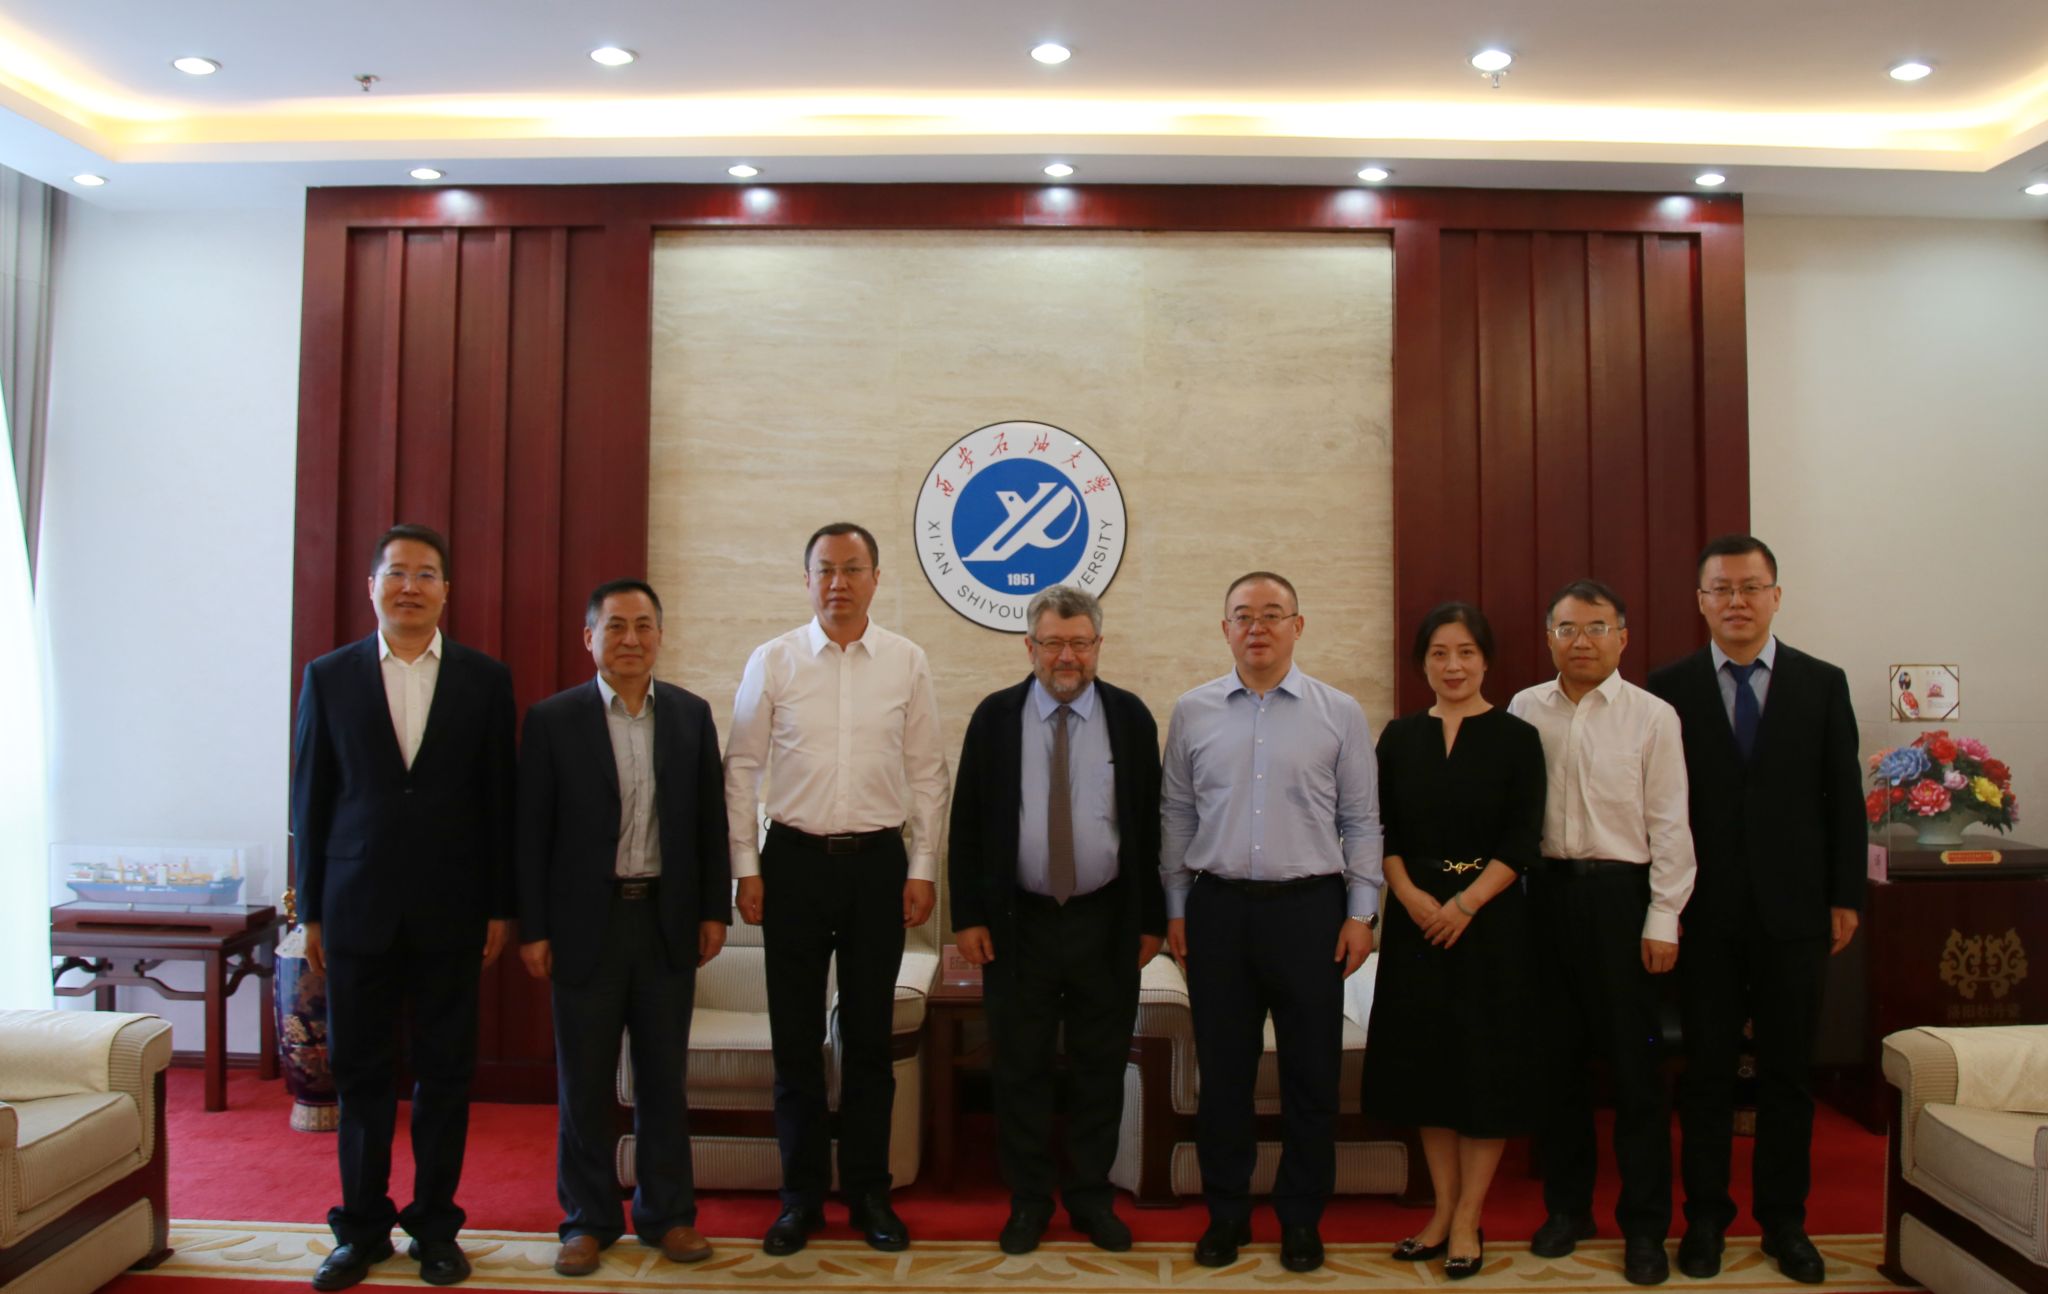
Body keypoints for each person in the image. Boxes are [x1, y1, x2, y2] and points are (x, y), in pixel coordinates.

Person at [290, 524, 516, 1291]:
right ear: (372, 586)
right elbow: (311, 800)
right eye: (396, 573)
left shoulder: (484, 680)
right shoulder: (330, 677)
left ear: (446, 591)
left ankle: (435, 1228)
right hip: (355, 910)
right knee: (361, 1076)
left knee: (446, 1076)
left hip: (454, 911)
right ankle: (360, 1230)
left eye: (425, 574)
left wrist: (500, 905)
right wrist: (311, 910)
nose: (410, 587)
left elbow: (499, 801)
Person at [724, 522, 950, 1256]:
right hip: (791, 862)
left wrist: (922, 868)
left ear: (876, 579)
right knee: (794, 1040)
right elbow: (741, 769)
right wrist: (746, 868)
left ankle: (868, 1192)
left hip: (878, 866)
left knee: (869, 1041)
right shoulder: (774, 660)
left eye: (853, 569)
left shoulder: (907, 661)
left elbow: (928, 774)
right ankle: (799, 1199)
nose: (838, 583)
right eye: (825, 569)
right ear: (807, 579)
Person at [1648, 536, 1862, 1285]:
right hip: (1703, 912)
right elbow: (1656, 806)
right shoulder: (1667, 688)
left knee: (1788, 1075)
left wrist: (1845, 894)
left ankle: (1785, 1222)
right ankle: (1705, 1220)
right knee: (1706, 1074)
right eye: (1721, 589)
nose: (1736, 601)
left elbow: (1844, 797)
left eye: (1750, 587)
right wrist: (1662, 906)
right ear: (1700, 601)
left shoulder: (1821, 683)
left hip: (1795, 913)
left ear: (1776, 595)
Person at [1160, 571, 1382, 1274]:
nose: (1257, 627)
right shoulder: (1192, 711)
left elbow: (1362, 821)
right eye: (1243, 615)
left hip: (1311, 911)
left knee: (1311, 1076)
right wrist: (1175, 909)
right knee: (1224, 1075)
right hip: (1218, 910)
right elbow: (1176, 816)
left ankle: (1301, 1219)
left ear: (1297, 625)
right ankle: (1226, 1214)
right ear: (1224, 628)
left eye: (1272, 614)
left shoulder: (1339, 713)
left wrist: (1362, 913)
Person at [515, 579, 732, 1277]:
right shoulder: (552, 721)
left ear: (660, 636)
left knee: (664, 1080)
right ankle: (587, 1220)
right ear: (590, 638)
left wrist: (713, 911)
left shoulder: (691, 716)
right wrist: (534, 929)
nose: (630, 639)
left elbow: (709, 822)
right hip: (586, 926)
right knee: (584, 1082)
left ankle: (668, 1216)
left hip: (665, 922)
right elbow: (531, 835)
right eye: (615, 626)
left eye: (643, 625)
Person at [948, 585, 1166, 1256]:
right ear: (1029, 647)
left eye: (1079, 643)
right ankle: (1029, 1202)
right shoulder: (995, 717)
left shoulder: (1130, 718)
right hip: (1020, 923)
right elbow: (966, 822)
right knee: (1020, 1066)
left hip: (1106, 920)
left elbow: (1151, 827)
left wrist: (1152, 920)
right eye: (1052, 643)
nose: (1066, 656)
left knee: (1101, 1065)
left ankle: (1092, 1199)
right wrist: (968, 916)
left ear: (1098, 645)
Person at [1508, 579, 1696, 1287]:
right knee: (1556, 1068)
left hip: (1624, 902)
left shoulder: (1652, 716)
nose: (1580, 641)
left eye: (1596, 628)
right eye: (1567, 628)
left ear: (1622, 636)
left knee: (1636, 1075)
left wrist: (1664, 916)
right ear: (1548, 637)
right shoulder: (1525, 708)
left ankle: (1644, 1228)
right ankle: (1568, 1210)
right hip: (1545, 898)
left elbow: (1670, 823)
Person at [1361, 603, 1545, 1281]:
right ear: (1423, 663)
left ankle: (1469, 1217)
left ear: (1486, 659)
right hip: (1415, 923)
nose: (1453, 665)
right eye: (1439, 653)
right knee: (1428, 1070)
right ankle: (1440, 1212)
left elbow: (1522, 838)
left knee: (1482, 1070)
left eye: (1466, 651)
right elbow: (1380, 829)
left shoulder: (1517, 738)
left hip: (1490, 924)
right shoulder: (1400, 737)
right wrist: (1410, 898)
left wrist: (1466, 903)